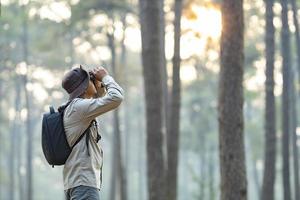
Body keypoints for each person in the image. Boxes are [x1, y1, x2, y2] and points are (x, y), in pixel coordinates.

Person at [61, 65, 124, 200]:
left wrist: (97, 84)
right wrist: (106, 77)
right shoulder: (79, 108)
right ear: (83, 86)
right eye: (89, 80)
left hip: (77, 182)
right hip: (83, 184)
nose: (92, 80)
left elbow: (98, 101)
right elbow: (116, 97)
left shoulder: (75, 108)